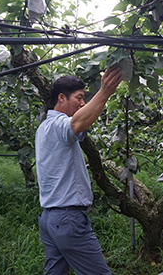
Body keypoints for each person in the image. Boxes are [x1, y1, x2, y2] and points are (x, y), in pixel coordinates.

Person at [36, 66, 122, 275]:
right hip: (68, 220)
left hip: (49, 219)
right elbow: (78, 123)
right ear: (62, 98)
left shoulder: (43, 127)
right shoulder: (59, 126)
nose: (82, 103)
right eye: (79, 97)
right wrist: (105, 93)